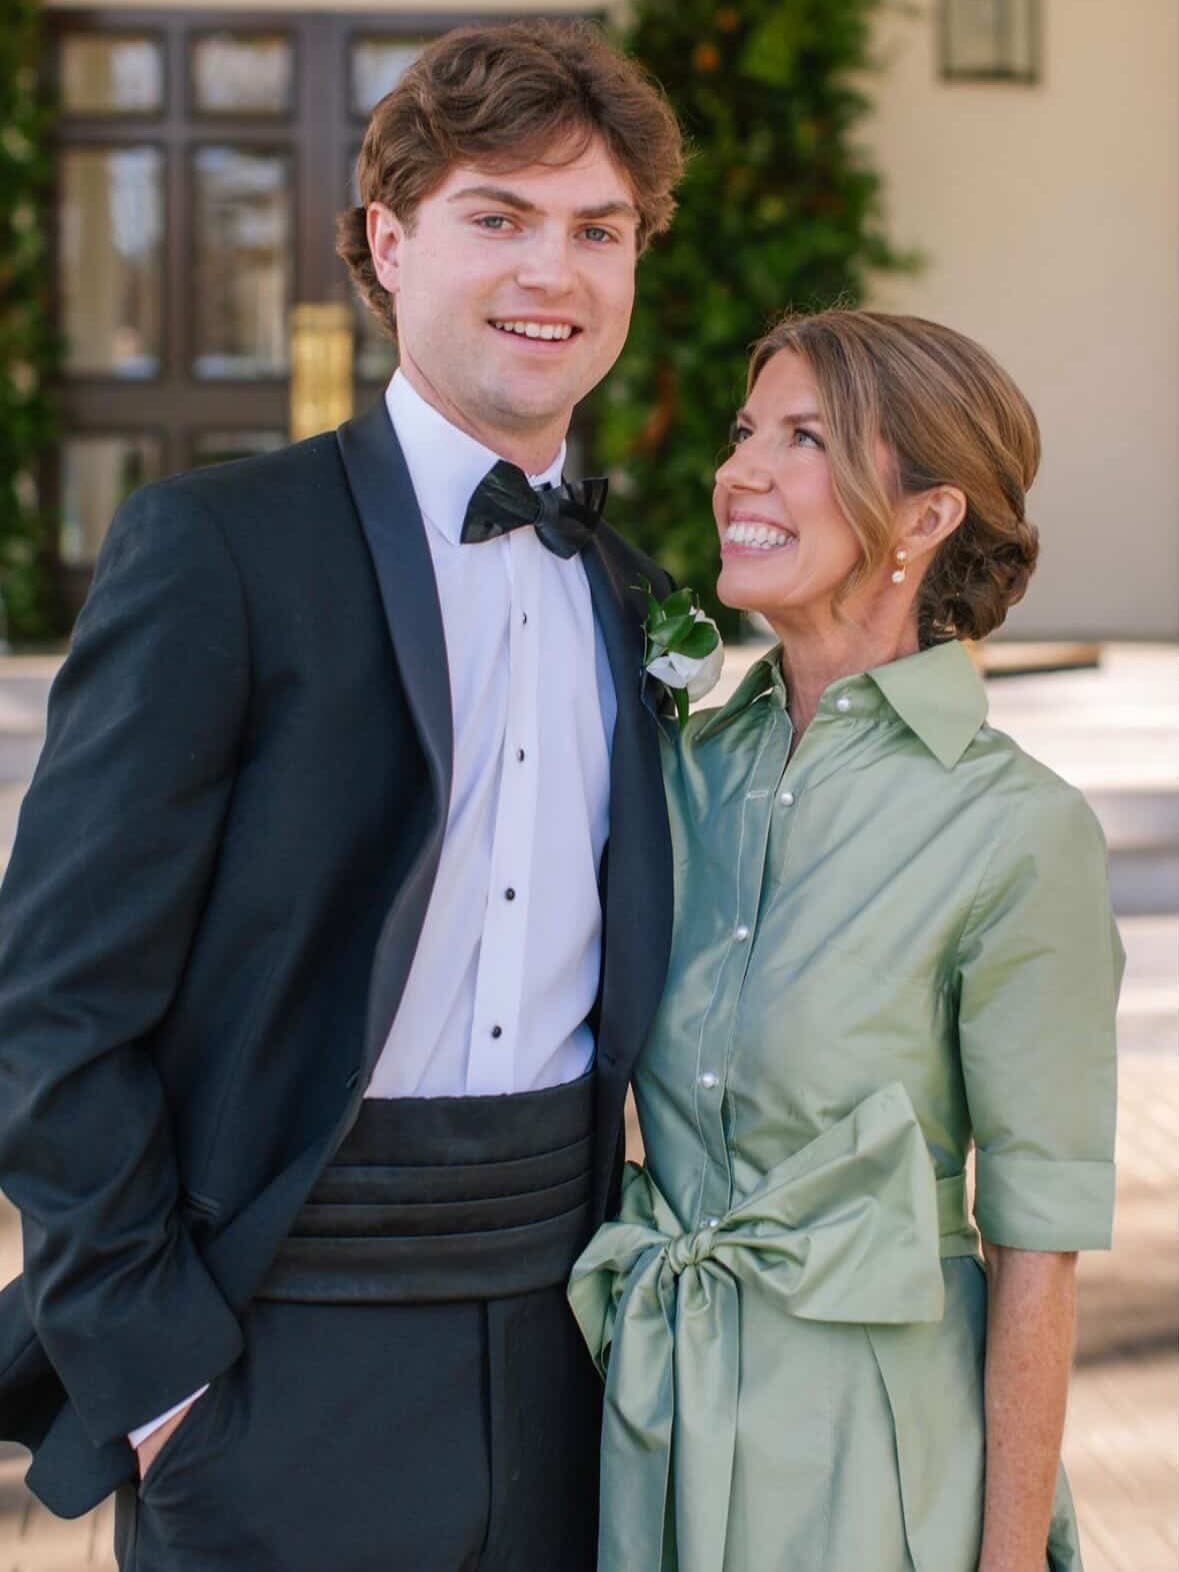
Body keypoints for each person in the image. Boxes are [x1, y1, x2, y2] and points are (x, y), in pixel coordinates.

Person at [0, 20, 683, 1571]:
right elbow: (53, 1001)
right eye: (498, 217)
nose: (553, 272)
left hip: (567, 1356)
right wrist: (158, 1376)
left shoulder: (633, 599)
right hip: (270, 1356)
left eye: (597, 230)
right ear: (387, 241)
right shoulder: (221, 550)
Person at [570, 309, 1122, 1572]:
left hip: (877, 1470)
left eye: (806, 439)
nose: (739, 471)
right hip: (651, 1430)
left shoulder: (1018, 830)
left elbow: (1035, 1251)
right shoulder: (674, 777)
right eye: (744, 431)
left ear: (928, 517)